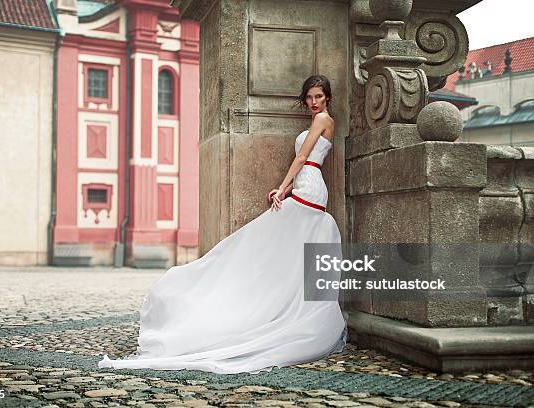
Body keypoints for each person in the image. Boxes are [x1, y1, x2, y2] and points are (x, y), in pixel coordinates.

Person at [98, 75, 347, 374]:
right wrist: (288, 189)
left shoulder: (322, 119)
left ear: (327, 98)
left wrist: (281, 189)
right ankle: (273, 302)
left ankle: (274, 307)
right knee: (280, 246)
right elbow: (304, 159)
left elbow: (304, 156)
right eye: (309, 97)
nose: (313, 102)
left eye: (318, 96)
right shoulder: (322, 121)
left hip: (308, 190)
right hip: (307, 188)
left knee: (269, 238)